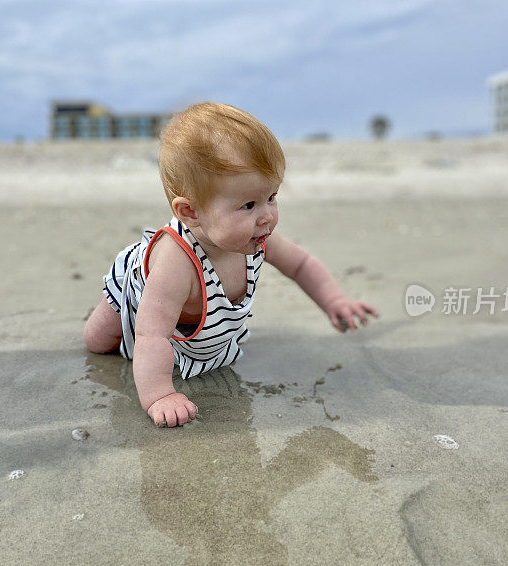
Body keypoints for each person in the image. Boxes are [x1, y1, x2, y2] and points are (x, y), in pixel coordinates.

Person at [84, 102, 379, 428]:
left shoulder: (255, 238)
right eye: (249, 204)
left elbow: (301, 264)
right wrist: (159, 395)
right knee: (98, 342)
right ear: (190, 213)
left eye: (272, 197)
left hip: (183, 315)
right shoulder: (175, 264)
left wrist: (334, 301)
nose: (267, 215)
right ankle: (100, 320)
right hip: (134, 284)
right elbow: (152, 335)